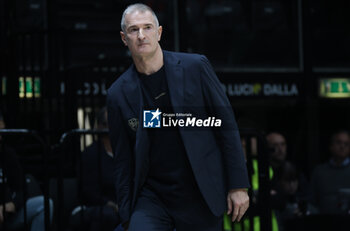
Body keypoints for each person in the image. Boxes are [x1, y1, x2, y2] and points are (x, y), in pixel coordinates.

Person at [107, 3, 250, 231]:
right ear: (124, 38)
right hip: (152, 195)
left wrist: (238, 185)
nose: (142, 35)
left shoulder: (195, 67)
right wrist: (126, 215)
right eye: (134, 30)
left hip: (200, 189)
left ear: (159, 32)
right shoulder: (118, 93)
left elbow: (226, 126)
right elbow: (123, 161)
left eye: (147, 27)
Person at [0, 111, 53, 231]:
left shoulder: (8, 154)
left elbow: (22, 189)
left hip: (8, 214)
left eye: (3, 131)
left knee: (44, 204)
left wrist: (12, 203)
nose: (1, 137)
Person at [70, 107, 120, 231]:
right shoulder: (90, 154)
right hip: (93, 207)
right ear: (98, 127)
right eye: (106, 124)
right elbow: (88, 192)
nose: (110, 129)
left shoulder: (125, 153)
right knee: (107, 215)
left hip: (122, 205)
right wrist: (111, 205)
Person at [311, 130, 350, 214]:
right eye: (339, 143)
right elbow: (312, 199)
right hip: (323, 220)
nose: (342, 146)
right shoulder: (319, 171)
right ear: (331, 146)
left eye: (346, 144)